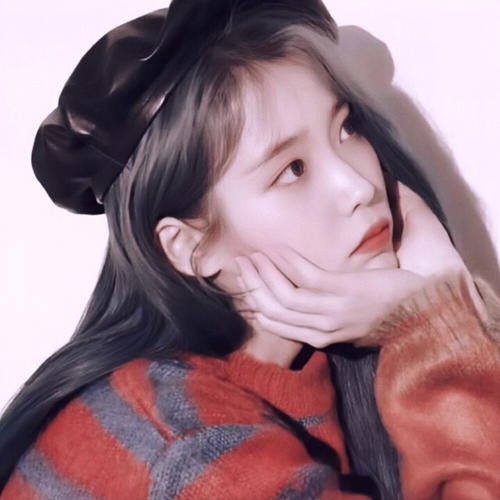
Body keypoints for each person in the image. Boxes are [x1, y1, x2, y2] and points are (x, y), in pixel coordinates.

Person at [1, 0, 499, 498]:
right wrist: (438, 324)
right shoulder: (178, 439)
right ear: (191, 247)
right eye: (293, 169)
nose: (359, 186)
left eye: (346, 129)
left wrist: (437, 296)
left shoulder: (332, 377)